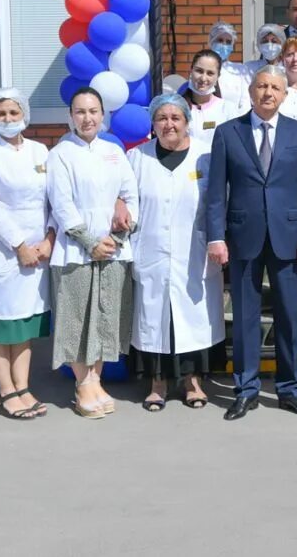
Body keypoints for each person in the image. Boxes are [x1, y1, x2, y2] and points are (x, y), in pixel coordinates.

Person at [206, 65, 297, 420]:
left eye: (275, 87)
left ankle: (290, 389)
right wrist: (216, 236)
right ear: (251, 91)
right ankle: (246, 389)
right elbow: (215, 192)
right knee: (244, 317)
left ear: (285, 94)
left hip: (288, 237)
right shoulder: (228, 133)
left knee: (289, 316)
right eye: (261, 86)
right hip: (243, 236)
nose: (267, 93)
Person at [46, 87, 139, 419]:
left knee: (105, 316)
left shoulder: (114, 151)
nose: (87, 118)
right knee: (76, 318)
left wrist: (117, 235)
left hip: (113, 249)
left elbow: (130, 195)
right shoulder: (61, 153)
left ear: (103, 115)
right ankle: (82, 384)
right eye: (80, 111)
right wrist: (89, 241)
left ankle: (96, 379)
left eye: (94, 111)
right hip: (76, 250)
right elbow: (62, 204)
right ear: (70, 116)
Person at [129, 93, 224, 411]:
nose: (169, 124)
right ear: (153, 124)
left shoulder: (206, 156)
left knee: (193, 318)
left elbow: (219, 203)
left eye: (175, 118)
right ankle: (157, 383)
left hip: (194, 252)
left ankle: (192, 381)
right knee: (155, 318)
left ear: (187, 121)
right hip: (151, 251)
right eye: (162, 118)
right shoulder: (137, 158)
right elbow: (124, 197)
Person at [0, 88, 54, 421]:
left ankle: (24, 386)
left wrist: (48, 238)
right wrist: (19, 245)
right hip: (1, 251)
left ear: (25, 116)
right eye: (1, 113)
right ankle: (6, 391)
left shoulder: (40, 151)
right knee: (0, 323)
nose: (7, 119)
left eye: (13, 113)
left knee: (24, 324)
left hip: (38, 253)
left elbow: (51, 199)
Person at [180, 49, 232, 147]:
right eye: (199, 71)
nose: (203, 78)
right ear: (191, 71)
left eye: (210, 73)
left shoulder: (228, 109)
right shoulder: (177, 108)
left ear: (218, 76)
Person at [207, 21, 253, 117]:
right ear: (211, 42)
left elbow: (245, 102)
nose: (224, 45)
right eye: (220, 40)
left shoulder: (240, 70)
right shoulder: (201, 68)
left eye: (228, 42)